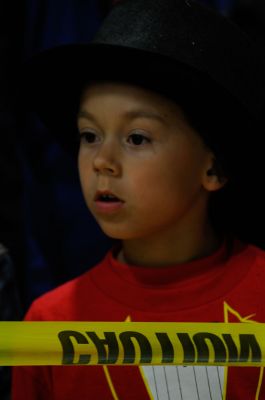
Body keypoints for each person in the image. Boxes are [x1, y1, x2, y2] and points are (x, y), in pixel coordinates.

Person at [12, 0, 265, 398]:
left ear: (213, 168)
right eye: (89, 135)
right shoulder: (47, 325)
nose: (103, 162)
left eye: (136, 138)